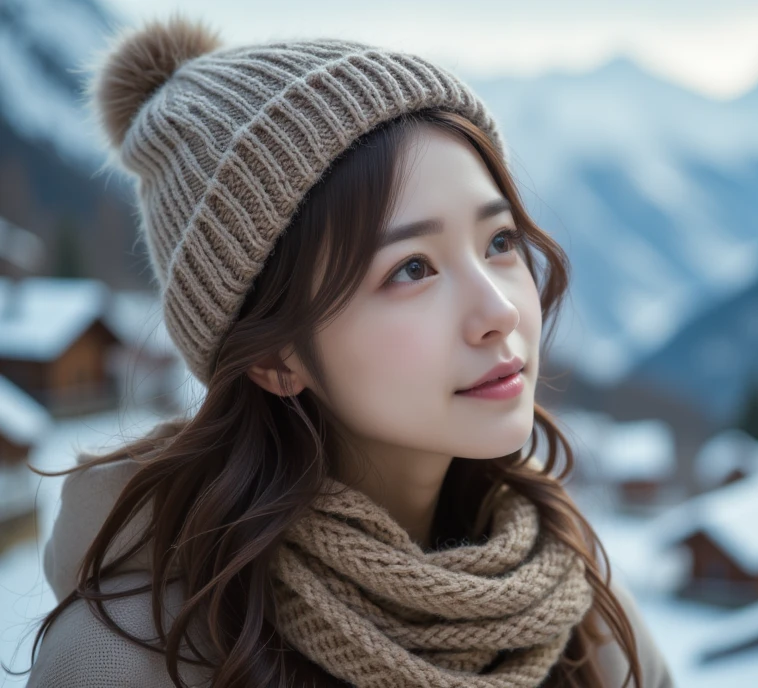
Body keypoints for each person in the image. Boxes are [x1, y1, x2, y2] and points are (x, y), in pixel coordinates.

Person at [22, 13, 674, 688]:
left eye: (499, 242)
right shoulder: (134, 659)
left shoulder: (583, 614)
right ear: (274, 359)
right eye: (411, 269)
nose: (500, 311)